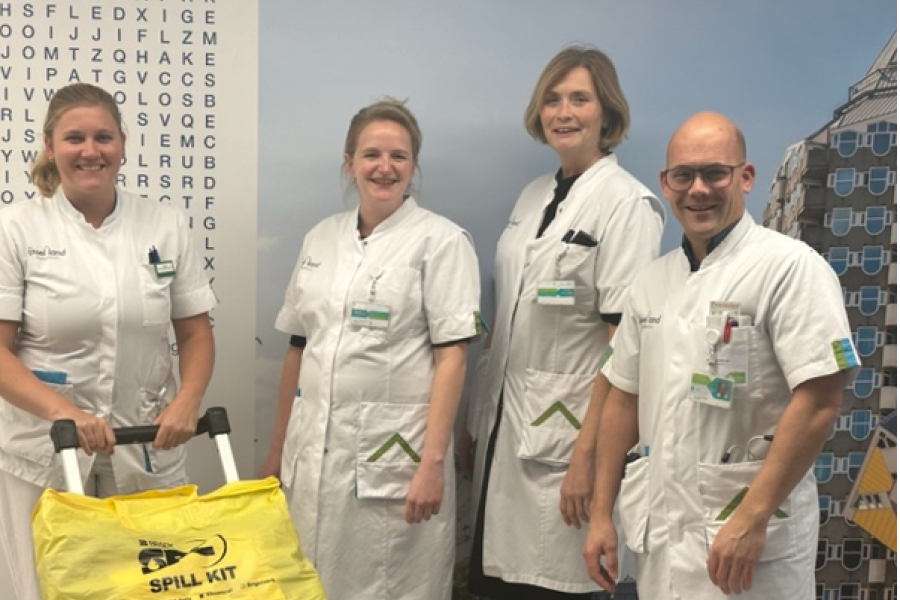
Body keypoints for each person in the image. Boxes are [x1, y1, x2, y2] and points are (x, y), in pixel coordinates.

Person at [582, 111, 860, 600]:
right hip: (663, 538)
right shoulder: (651, 282)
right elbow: (623, 398)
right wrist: (602, 513)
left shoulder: (791, 268)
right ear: (665, 183)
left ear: (745, 177)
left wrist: (752, 516)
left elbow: (820, 401)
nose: (698, 189)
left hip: (750, 541)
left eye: (715, 173)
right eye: (683, 175)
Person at [461, 45, 665, 599]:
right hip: (504, 435)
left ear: (607, 112)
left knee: (550, 584)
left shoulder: (627, 204)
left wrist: (588, 458)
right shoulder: (532, 197)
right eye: (552, 100)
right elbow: (509, 313)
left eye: (580, 99)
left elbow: (625, 349)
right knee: (496, 583)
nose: (564, 112)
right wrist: (474, 421)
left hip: (565, 443)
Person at [0, 82, 217, 600]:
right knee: (44, 589)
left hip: (146, 442)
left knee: (153, 587)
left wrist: (188, 401)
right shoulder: (16, 228)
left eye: (103, 137)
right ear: (50, 146)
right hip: (42, 449)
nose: (90, 151)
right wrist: (65, 413)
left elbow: (195, 332)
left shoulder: (164, 225)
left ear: (122, 144)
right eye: (74, 138)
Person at [260, 98, 482, 600]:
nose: (385, 167)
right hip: (311, 455)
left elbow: (452, 358)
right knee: (310, 579)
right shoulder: (320, 239)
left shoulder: (442, 241)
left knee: (388, 584)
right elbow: (298, 347)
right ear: (349, 162)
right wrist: (276, 451)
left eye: (398, 156)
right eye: (372, 154)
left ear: (413, 165)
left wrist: (432, 464)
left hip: (394, 463)